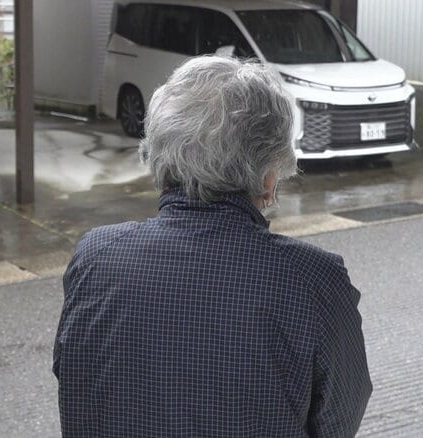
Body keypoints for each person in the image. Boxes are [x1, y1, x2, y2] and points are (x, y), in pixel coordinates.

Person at [53, 56, 371, 437]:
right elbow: (338, 422)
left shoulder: (94, 259)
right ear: (269, 179)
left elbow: (72, 381)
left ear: (159, 154)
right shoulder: (313, 282)